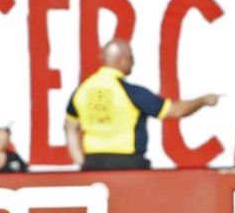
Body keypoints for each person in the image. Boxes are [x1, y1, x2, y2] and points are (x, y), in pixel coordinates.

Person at [64, 39, 218, 170]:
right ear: (122, 60)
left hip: (93, 164)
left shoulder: (82, 90)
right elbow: (175, 111)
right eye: (131, 59)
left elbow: (70, 128)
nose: (133, 63)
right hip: (128, 164)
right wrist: (203, 101)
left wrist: (81, 162)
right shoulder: (131, 92)